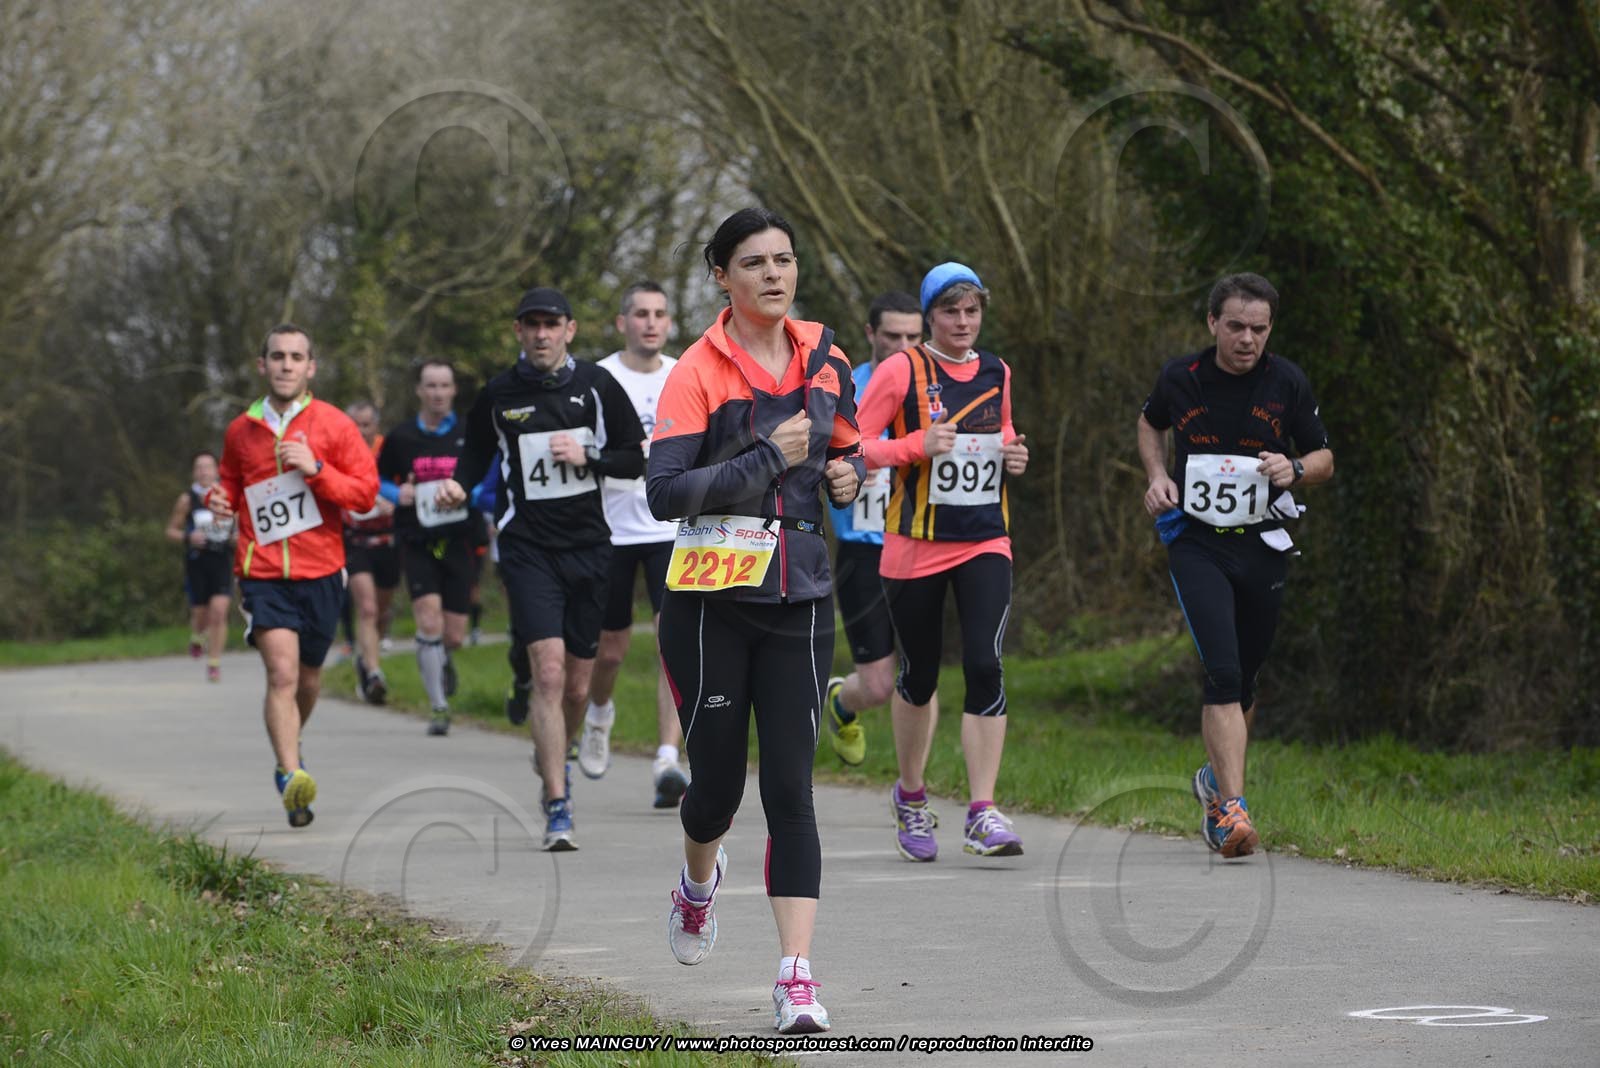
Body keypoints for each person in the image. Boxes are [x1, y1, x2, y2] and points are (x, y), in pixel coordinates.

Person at [647, 207, 863, 1034]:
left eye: (784, 259)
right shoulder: (696, 371)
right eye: (754, 262)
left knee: (790, 788)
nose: (774, 274)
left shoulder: (827, 357)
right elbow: (664, 492)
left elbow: (845, 448)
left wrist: (845, 475)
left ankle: (795, 977)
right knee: (717, 791)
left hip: (799, 596)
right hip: (709, 604)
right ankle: (697, 884)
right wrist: (770, 458)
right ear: (722, 276)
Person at [436, 287, 646, 850]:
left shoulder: (598, 386)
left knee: (577, 686)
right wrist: (459, 483)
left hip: (590, 548)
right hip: (527, 547)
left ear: (569, 330)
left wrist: (589, 457)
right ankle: (557, 801)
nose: (542, 334)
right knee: (548, 674)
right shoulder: (500, 392)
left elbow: (635, 457)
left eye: (551, 324)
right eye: (531, 324)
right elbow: (476, 454)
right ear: (519, 331)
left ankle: (557, 752)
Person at [1136, 272, 1333, 858]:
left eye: (1259, 329)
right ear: (1212, 323)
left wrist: (1295, 469)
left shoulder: (1287, 381)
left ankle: (1213, 782)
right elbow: (1150, 422)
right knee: (1221, 672)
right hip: (1196, 542)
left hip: (1262, 544)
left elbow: (1324, 456)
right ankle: (1233, 810)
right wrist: (1157, 475)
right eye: (1237, 326)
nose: (1248, 339)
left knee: (1245, 679)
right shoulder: (1181, 377)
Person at [855, 262, 1031, 862]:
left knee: (985, 663)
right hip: (914, 546)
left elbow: (1002, 430)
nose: (962, 322)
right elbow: (855, 445)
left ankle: (983, 811)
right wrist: (916, 446)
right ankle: (910, 795)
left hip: (985, 540)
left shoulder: (997, 370)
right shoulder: (901, 370)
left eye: (971, 310)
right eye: (950, 311)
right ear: (930, 316)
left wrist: (1014, 453)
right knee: (920, 675)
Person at [208, 323, 379, 828]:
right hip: (261, 572)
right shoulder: (240, 430)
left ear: (311, 367)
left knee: (307, 680)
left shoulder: (335, 425)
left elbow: (365, 494)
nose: (286, 365)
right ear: (262, 365)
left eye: (296, 357)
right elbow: (229, 483)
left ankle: (290, 741)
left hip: (322, 571)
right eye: (278, 356)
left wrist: (317, 469)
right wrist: (219, 500)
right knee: (281, 674)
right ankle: (291, 774)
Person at [575, 280, 692, 808]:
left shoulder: (683, 373)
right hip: (612, 528)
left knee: (674, 641)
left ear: (669, 323)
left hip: (670, 528)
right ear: (622, 322)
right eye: (641, 314)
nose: (651, 323)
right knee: (611, 648)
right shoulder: (598, 378)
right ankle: (600, 713)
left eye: (659, 314)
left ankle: (668, 758)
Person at [822, 291, 923, 764]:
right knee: (880, 685)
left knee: (921, 673)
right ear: (870, 334)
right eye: (892, 336)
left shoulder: (934, 391)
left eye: (913, 337)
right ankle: (842, 701)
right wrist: (847, 466)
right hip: (863, 549)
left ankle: (914, 786)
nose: (903, 347)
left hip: (921, 544)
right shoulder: (846, 388)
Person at [377, 360, 480, 736]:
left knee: (453, 634)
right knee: (428, 619)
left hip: (459, 539)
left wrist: (471, 494)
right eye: (431, 386)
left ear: (453, 390)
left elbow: (489, 476)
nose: (437, 393)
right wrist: (396, 493)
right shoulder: (401, 437)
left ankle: (443, 659)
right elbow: (376, 478)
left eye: (444, 385)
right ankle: (439, 707)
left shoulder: (469, 433)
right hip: (417, 538)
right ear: (419, 391)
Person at [341, 400, 399, 704]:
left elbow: (403, 485)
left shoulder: (389, 450)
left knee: (381, 611)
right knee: (367, 608)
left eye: (366, 425)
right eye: (355, 425)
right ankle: (375, 673)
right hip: (355, 540)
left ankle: (365, 659)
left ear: (375, 425)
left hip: (387, 539)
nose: (360, 431)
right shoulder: (338, 452)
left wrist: (394, 500)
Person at [165, 450, 235, 682]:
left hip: (222, 560)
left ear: (217, 471)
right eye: (200, 467)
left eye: (208, 467)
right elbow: (170, 531)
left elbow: (240, 526)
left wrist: (235, 537)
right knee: (200, 613)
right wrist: (188, 537)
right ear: (194, 473)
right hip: (197, 561)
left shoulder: (228, 495)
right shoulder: (187, 500)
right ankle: (197, 636)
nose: (204, 471)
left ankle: (214, 663)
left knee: (219, 611)